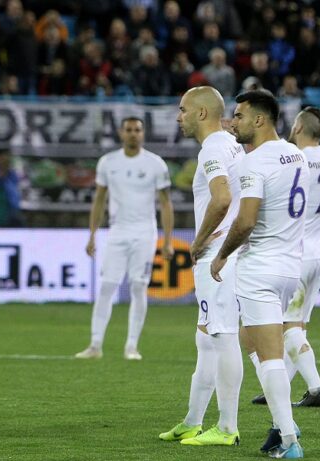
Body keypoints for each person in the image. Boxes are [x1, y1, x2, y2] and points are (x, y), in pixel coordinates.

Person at [210, 89, 307, 458]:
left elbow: (247, 221)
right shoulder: (296, 154)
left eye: (239, 115)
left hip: (260, 269)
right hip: (289, 267)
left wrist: (222, 255)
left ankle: (288, 439)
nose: (233, 121)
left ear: (260, 119)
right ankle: (284, 422)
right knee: (249, 338)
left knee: (270, 357)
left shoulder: (253, 162)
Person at [158, 86, 244, 446]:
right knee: (206, 338)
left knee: (223, 337)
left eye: (183, 109)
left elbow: (222, 198)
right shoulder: (232, 144)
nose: (179, 116)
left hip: (218, 257)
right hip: (231, 252)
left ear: (202, 113)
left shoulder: (212, 148)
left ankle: (227, 428)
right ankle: (193, 421)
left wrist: (198, 241)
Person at [252, 107, 320, 408]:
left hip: (297, 255)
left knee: (289, 328)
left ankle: (316, 388)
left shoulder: (297, 158)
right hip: (318, 253)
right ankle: (280, 387)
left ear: (298, 127)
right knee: (297, 326)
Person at [75, 117, 174, 361]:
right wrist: (92, 235)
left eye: (137, 130)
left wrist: (168, 239)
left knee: (138, 286)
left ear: (143, 133)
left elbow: (165, 203)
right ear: (121, 133)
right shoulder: (108, 162)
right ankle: (95, 345)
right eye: (128, 130)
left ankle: (131, 346)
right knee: (107, 286)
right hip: (117, 231)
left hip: (144, 232)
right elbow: (99, 200)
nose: (133, 134)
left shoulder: (155, 164)